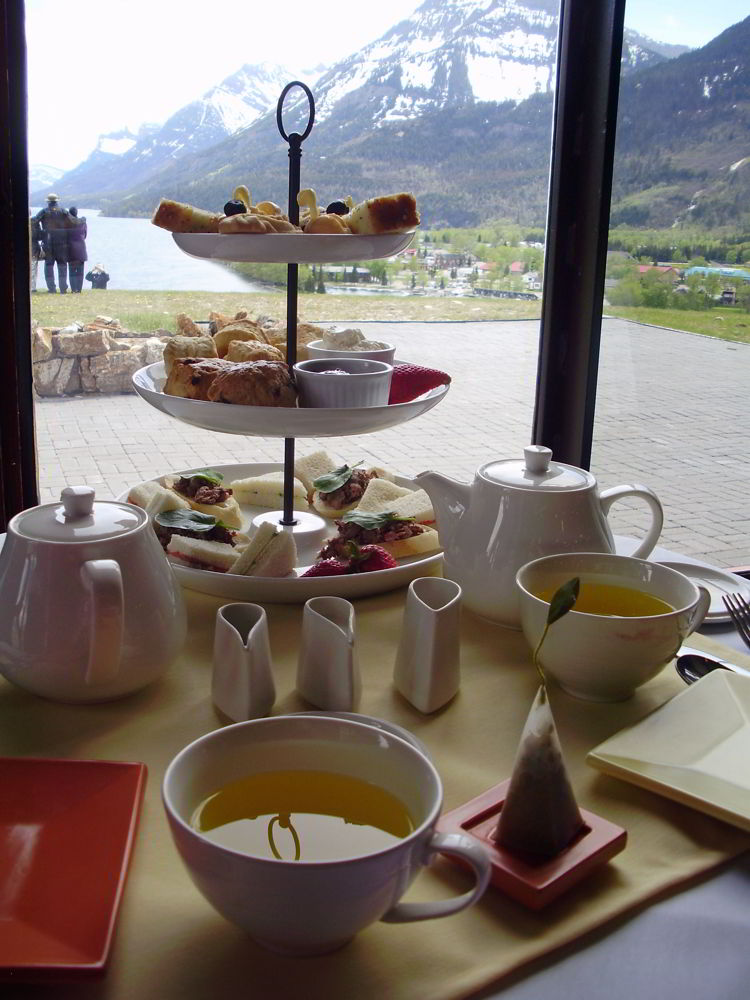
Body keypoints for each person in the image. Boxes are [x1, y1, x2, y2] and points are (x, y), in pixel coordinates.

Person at [33, 193, 71, 293]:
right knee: (62, 265)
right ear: (57, 201)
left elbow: (34, 221)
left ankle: (52, 289)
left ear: (48, 201)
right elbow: (72, 222)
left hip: (48, 242)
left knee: (49, 266)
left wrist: (40, 233)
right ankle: (63, 289)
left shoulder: (44, 212)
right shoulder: (63, 211)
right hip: (62, 243)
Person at [66, 207, 87, 293]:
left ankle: (73, 289)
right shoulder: (83, 223)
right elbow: (85, 235)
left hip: (71, 249)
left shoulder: (67, 223)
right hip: (81, 248)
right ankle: (79, 289)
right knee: (80, 271)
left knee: (72, 271)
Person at [29, 216, 43, 293]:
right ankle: (32, 287)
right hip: (34, 248)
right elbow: (40, 236)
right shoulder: (35, 223)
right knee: (33, 268)